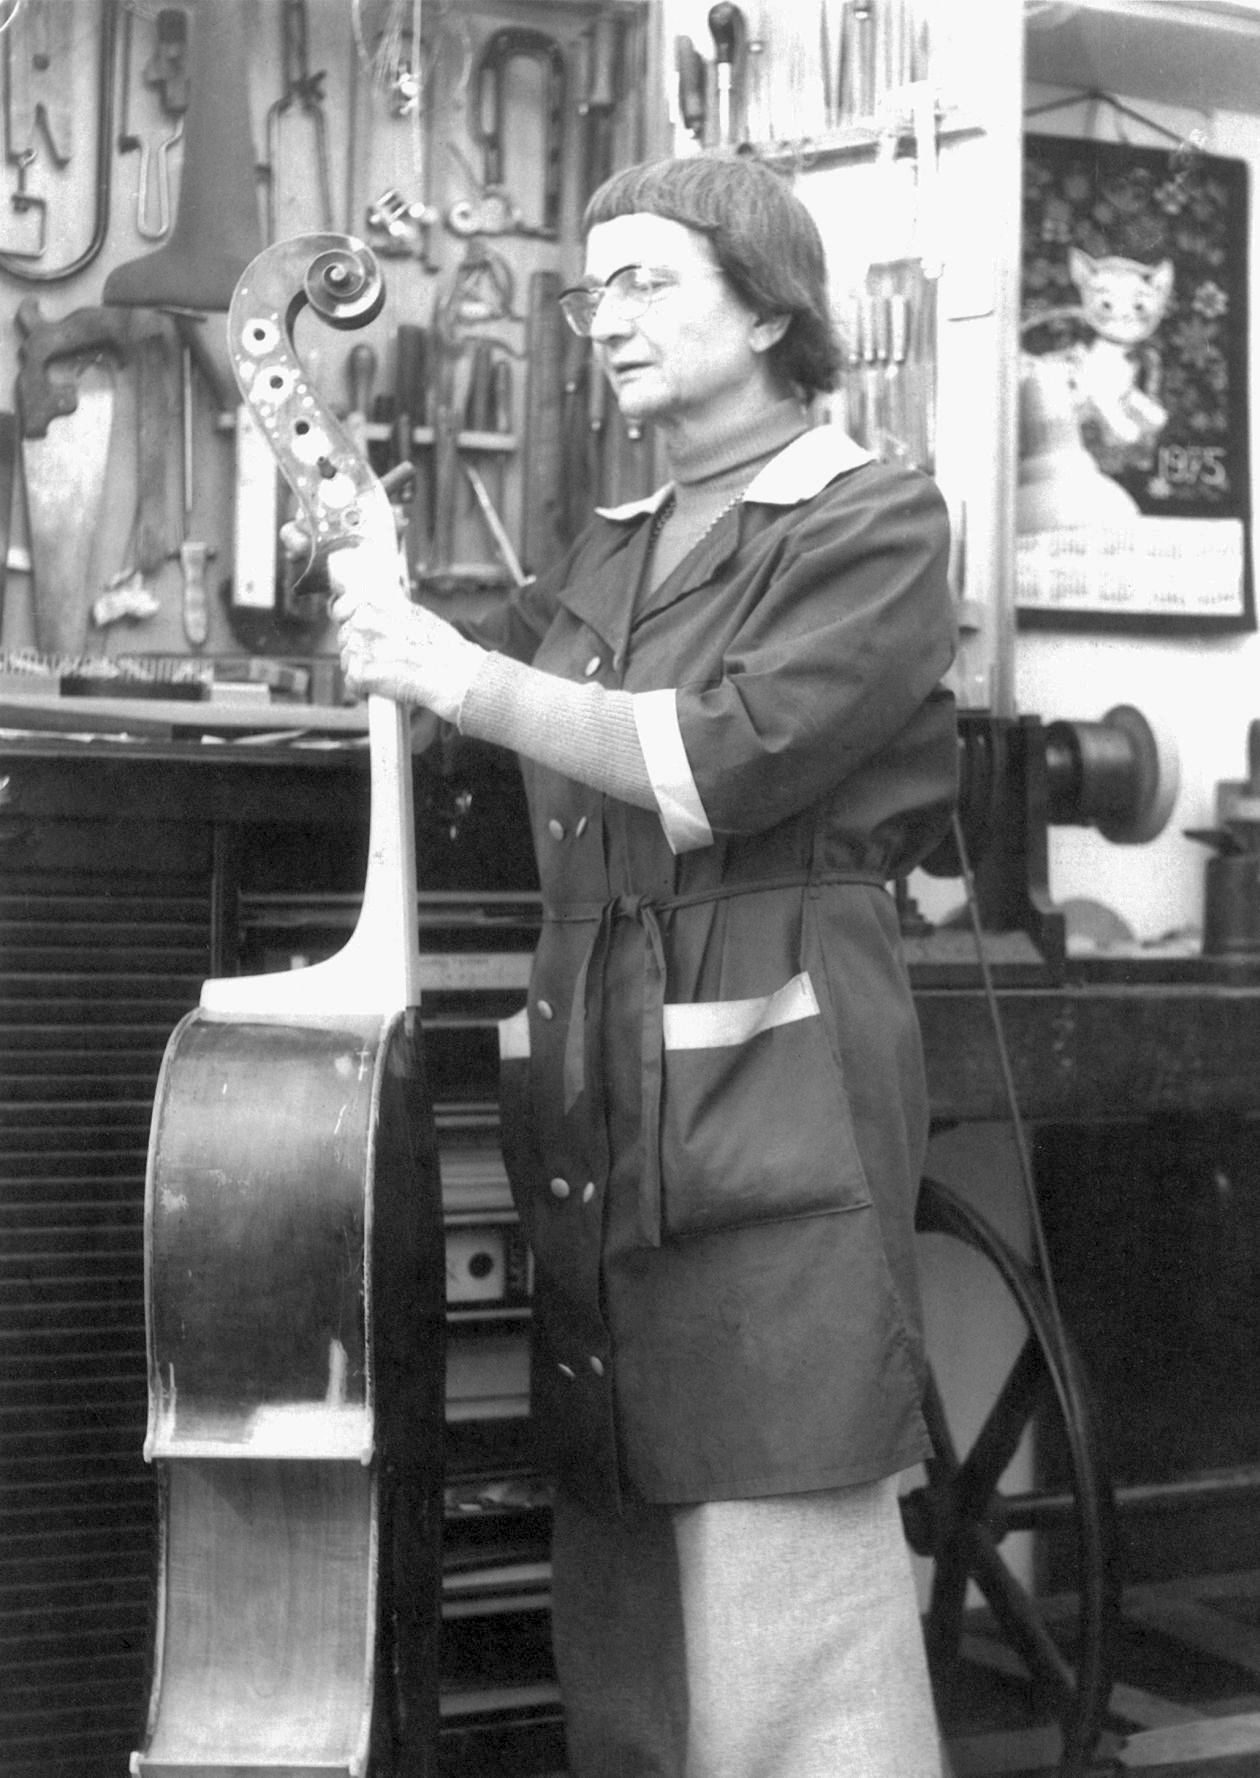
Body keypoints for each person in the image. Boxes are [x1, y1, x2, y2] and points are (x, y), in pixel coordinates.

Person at [329, 153, 957, 1778]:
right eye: (590, 287)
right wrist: (381, 584)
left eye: (646, 280)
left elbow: (719, 760)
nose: (603, 317)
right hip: (604, 1103)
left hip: (774, 1091)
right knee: (622, 1594)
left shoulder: (871, 515)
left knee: (781, 1561)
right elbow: (493, 709)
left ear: (768, 304)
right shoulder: (604, 548)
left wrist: (458, 671)